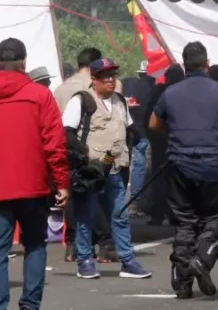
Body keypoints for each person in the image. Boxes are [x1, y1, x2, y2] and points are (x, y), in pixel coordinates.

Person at [149, 42, 218, 299]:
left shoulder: (170, 93)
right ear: (207, 63)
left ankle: (182, 282)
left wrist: (175, 130)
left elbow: (153, 123)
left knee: (185, 221)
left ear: (184, 65)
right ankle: (202, 260)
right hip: (214, 168)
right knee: (217, 219)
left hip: (180, 166)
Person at [0, 38, 69, 310]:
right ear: (24, 63)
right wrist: (62, 182)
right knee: (35, 245)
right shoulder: (40, 95)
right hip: (33, 185)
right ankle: (30, 305)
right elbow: (54, 143)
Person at [62, 58, 151, 280]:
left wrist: (146, 144)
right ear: (94, 79)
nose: (111, 80)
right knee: (86, 216)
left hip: (114, 168)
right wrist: (85, 154)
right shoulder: (81, 101)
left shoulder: (120, 101)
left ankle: (128, 262)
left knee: (119, 215)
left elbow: (131, 129)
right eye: (105, 76)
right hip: (91, 171)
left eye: (113, 75)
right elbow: (66, 133)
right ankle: (84, 261)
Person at [53, 47, 116, 264]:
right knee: (94, 197)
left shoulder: (61, 89)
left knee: (72, 198)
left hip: (64, 149)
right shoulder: (92, 88)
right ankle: (105, 243)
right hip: (91, 151)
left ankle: (72, 246)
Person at [145, 64, 185, 227]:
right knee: (174, 179)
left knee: (161, 178)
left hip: (163, 141)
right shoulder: (182, 94)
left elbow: (148, 118)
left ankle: (159, 213)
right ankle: (171, 213)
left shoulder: (161, 93)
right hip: (173, 142)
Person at [121, 61, 155, 217]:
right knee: (143, 168)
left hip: (125, 133)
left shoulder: (125, 85)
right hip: (144, 134)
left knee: (125, 166)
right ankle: (140, 203)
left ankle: (127, 202)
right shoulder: (150, 90)